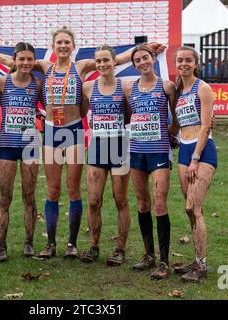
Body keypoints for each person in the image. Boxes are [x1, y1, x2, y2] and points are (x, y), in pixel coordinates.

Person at [0, 28, 165, 258]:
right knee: (52, 191)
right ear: (53, 46)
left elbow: (116, 59)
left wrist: (145, 48)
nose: (62, 46)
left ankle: (72, 244)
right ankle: (50, 244)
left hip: (73, 132)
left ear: (72, 46)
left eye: (66, 43)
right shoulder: (42, 65)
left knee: (73, 190)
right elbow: (10, 59)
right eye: (59, 42)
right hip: (51, 132)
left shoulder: (80, 66)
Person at [125, 44, 179, 280]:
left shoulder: (167, 86)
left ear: (153, 59)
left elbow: (177, 116)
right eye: (137, 60)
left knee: (159, 203)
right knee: (142, 202)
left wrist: (171, 132)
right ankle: (149, 256)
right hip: (137, 151)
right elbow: (129, 116)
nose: (142, 62)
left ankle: (165, 262)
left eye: (145, 57)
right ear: (134, 64)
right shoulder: (131, 89)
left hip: (158, 151)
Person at [78, 45, 130, 266]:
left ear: (114, 61)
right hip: (97, 148)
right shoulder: (88, 87)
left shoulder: (125, 87)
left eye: (106, 60)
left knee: (120, 200)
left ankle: (120, 249)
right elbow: (80, 112)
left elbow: (130, 114)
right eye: (98, 61)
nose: (102, 65)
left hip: (119, 147)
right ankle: (94, 246)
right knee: (93, 200)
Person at [0, 42, 42, 262]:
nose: (25, 63)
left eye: (30, 59)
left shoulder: (37, 85)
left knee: (29, 197)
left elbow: (47, 108)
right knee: (5, 197)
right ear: (15, 60)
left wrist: (40, 116)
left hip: (30, 146)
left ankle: (29, 243)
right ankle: (1, 247)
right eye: (21, 59)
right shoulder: (2, 82)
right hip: (8, 147)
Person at [172, 46, 217, 282]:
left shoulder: (203, 88)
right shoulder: (179, 90)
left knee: (193, 208)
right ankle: (196, 260)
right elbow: (179, 123)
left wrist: (195, 158)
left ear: (195, 64)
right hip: (184, 149)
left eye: (188, 60)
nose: (184, 64)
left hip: (202, 151)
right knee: (189, 210)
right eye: (180, 60)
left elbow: (206, 125)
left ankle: (202, 267)